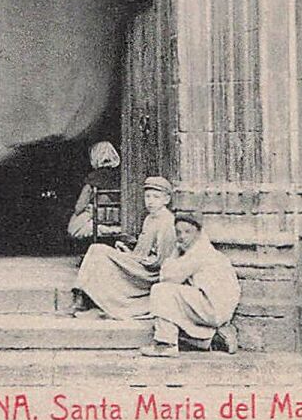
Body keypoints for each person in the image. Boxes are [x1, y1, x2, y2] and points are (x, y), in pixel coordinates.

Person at [72, 174, 177, 319]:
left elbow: (160, 261)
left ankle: (83, 295)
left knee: (98, 250)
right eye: (148, 197)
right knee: (98, 250)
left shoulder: (166, 222)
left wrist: (131, 258)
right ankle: (85, 294)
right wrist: (128, 251)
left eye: (156, 197)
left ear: (166, 199)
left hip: (149, 272)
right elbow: (143, 250)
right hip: (139, 262)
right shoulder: (150, 218)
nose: (151, 201)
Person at [142, 209, 240, 357]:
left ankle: (166, 343)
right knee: (177, 295)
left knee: (160, 291)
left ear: (199, 232)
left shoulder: (198, 252)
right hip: (218, 307)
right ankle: (211, 339)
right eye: (179, 233)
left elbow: (167, 277)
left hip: (212, 307)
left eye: (188, 232)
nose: (182, 237)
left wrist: (174, 253)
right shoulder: (204, 249)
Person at [67, 141, 122, 242]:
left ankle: (101, 230)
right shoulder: (122, 175)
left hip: (98, 216)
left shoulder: (93, 178)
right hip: (119, 216)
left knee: (73, 227)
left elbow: (80, 206)